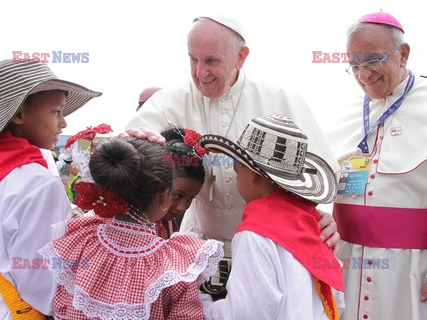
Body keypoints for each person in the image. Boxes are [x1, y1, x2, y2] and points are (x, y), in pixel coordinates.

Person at [126, 14, 341, 258]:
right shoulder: (170, 100)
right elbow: (127, 152)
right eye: (193, 60)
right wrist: (134, 141)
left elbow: (318, 173)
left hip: (268, 245)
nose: (200, 72)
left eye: (211, 61)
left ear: (241, 57)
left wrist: (321, 213)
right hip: (198, 242)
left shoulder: (281, 98)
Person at [0, 59, 101, 319]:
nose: (63, 124)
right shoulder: (37, 182)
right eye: (57, 112)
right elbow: (40, 283)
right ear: (19, 114)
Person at [325, 11, 427, 320]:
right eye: (355, 66)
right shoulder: (339, 112)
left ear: (403, 54)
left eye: (373, 61)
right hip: (347, 263)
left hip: (413, 271)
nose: (364, 75)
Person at [39, 137, 224, 319]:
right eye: (177, 196)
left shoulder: (80, 240)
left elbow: (61, 307)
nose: (183, 206)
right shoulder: (175, 262)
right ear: (165, 195)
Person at [197, 114, 344, 319]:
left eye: (237, 173)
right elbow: (336, 301)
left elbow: (245, 314)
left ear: (254, 174)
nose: (236, 179)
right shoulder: (315, 226)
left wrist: (203, 306)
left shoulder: (256, 235)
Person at [155, 127, 206, 239]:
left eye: (191, 198)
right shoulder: (137, 229)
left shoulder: (167, 223)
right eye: (178, 196)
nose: (183, 207)